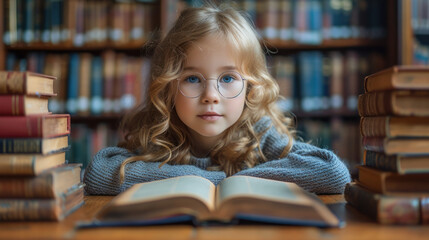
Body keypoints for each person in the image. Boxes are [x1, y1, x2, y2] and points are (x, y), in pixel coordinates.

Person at [83, 5, 351, 195]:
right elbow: (100, 173)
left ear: (251, 87)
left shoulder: (258, 132)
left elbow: (332, 172)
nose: (210, 96)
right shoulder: (159, 132)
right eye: (192, 79)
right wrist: (209, 180)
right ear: (168, 86)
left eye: (227, 78)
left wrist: (232, 183)